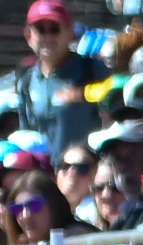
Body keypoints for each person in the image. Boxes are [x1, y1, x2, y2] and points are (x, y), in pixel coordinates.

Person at [13, 1, 109, 160]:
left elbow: (119, 90)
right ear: (28, 35)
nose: (48, 37)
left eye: (54, 29)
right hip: (46, 171)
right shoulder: (26, 82)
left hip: (85, 169)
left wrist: (85, 93)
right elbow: (28, 136)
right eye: (41, 29)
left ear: (70, 32)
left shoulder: (92, 70)